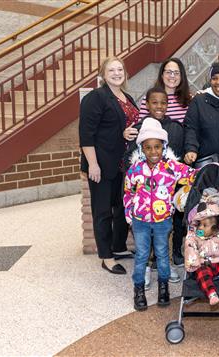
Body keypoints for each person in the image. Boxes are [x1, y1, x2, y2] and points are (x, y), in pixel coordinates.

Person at [123, 118, 197, 311]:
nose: (153, 152)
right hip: (140, 221)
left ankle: (163, 287)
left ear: (163, 147)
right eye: (148, 147)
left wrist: (211, 171)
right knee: (141, 256)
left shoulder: (171, 168)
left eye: (157, 147)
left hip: (163, 221)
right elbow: (128, 193)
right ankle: (138, 290)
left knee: (163, 254)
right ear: (142, 149)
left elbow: (193, 175)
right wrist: (129, 215)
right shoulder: (135, 170)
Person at [79, 56, 136, 275]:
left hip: (123, 165)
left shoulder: (126, 97)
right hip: (102, 164)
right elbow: (86, 135)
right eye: (111, 70)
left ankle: (118, 247)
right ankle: (106, 256)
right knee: (103, 211)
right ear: (103, 74)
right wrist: (92, 164)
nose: (116, 73)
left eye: (120, 69)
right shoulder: (96, 98)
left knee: (122, 208)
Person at [123, 86, 185, 284]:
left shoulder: (174, 127)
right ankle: (148, 267)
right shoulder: (138, 128)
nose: (159, 106)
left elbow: (177, 164)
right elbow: (129, 160)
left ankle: (164, 266)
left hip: (163, 197)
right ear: (147, 104)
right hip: (142, 197)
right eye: (154, 102)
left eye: (163, 102)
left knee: (163, 235)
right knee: (144, 240)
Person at [184, 203, 219, 306]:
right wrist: (194, 258)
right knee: (202, 274)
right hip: (204, 263)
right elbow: (190, 244)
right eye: (199, 224)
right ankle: (211, 293)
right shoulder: (197, 235)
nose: (201, 227)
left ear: (215, 227)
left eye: (205, 225)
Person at [138, 57, 191, 123]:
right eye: (168, 72)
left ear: (181, 76)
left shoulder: (189, 99)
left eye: (176, 73)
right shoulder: (149, 98)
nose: (172, 76)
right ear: (162, 75)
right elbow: (141, 126)